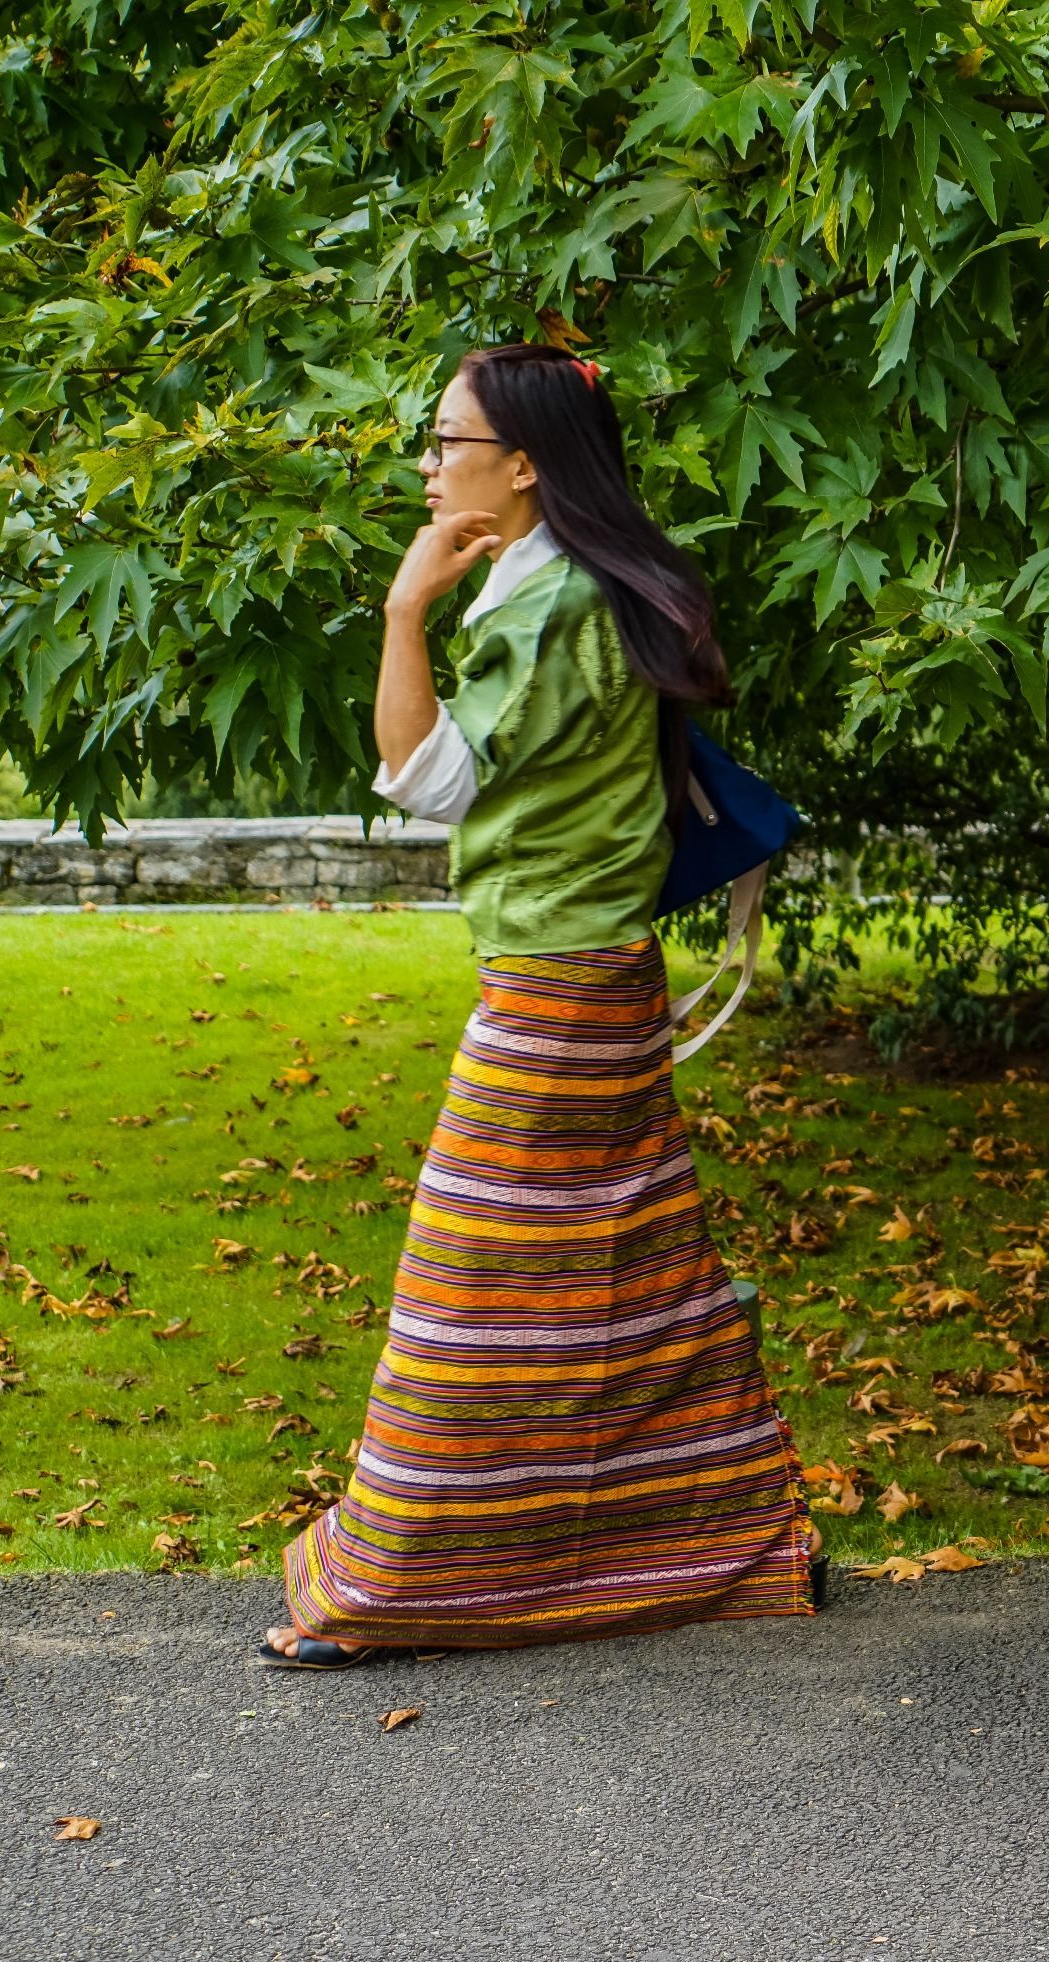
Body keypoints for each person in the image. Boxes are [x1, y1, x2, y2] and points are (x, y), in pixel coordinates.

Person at [257, 346, 817, 1666]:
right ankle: (730, 1537)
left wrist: (402, 615)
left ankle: (395, 1586)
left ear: (523, 462)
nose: (428, 463)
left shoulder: (550, 600)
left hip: (560, 989)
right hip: (585, 972)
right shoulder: (550, 584)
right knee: (630, 1277)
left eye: (446, 439)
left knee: (468, 1291)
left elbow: (429, 774)